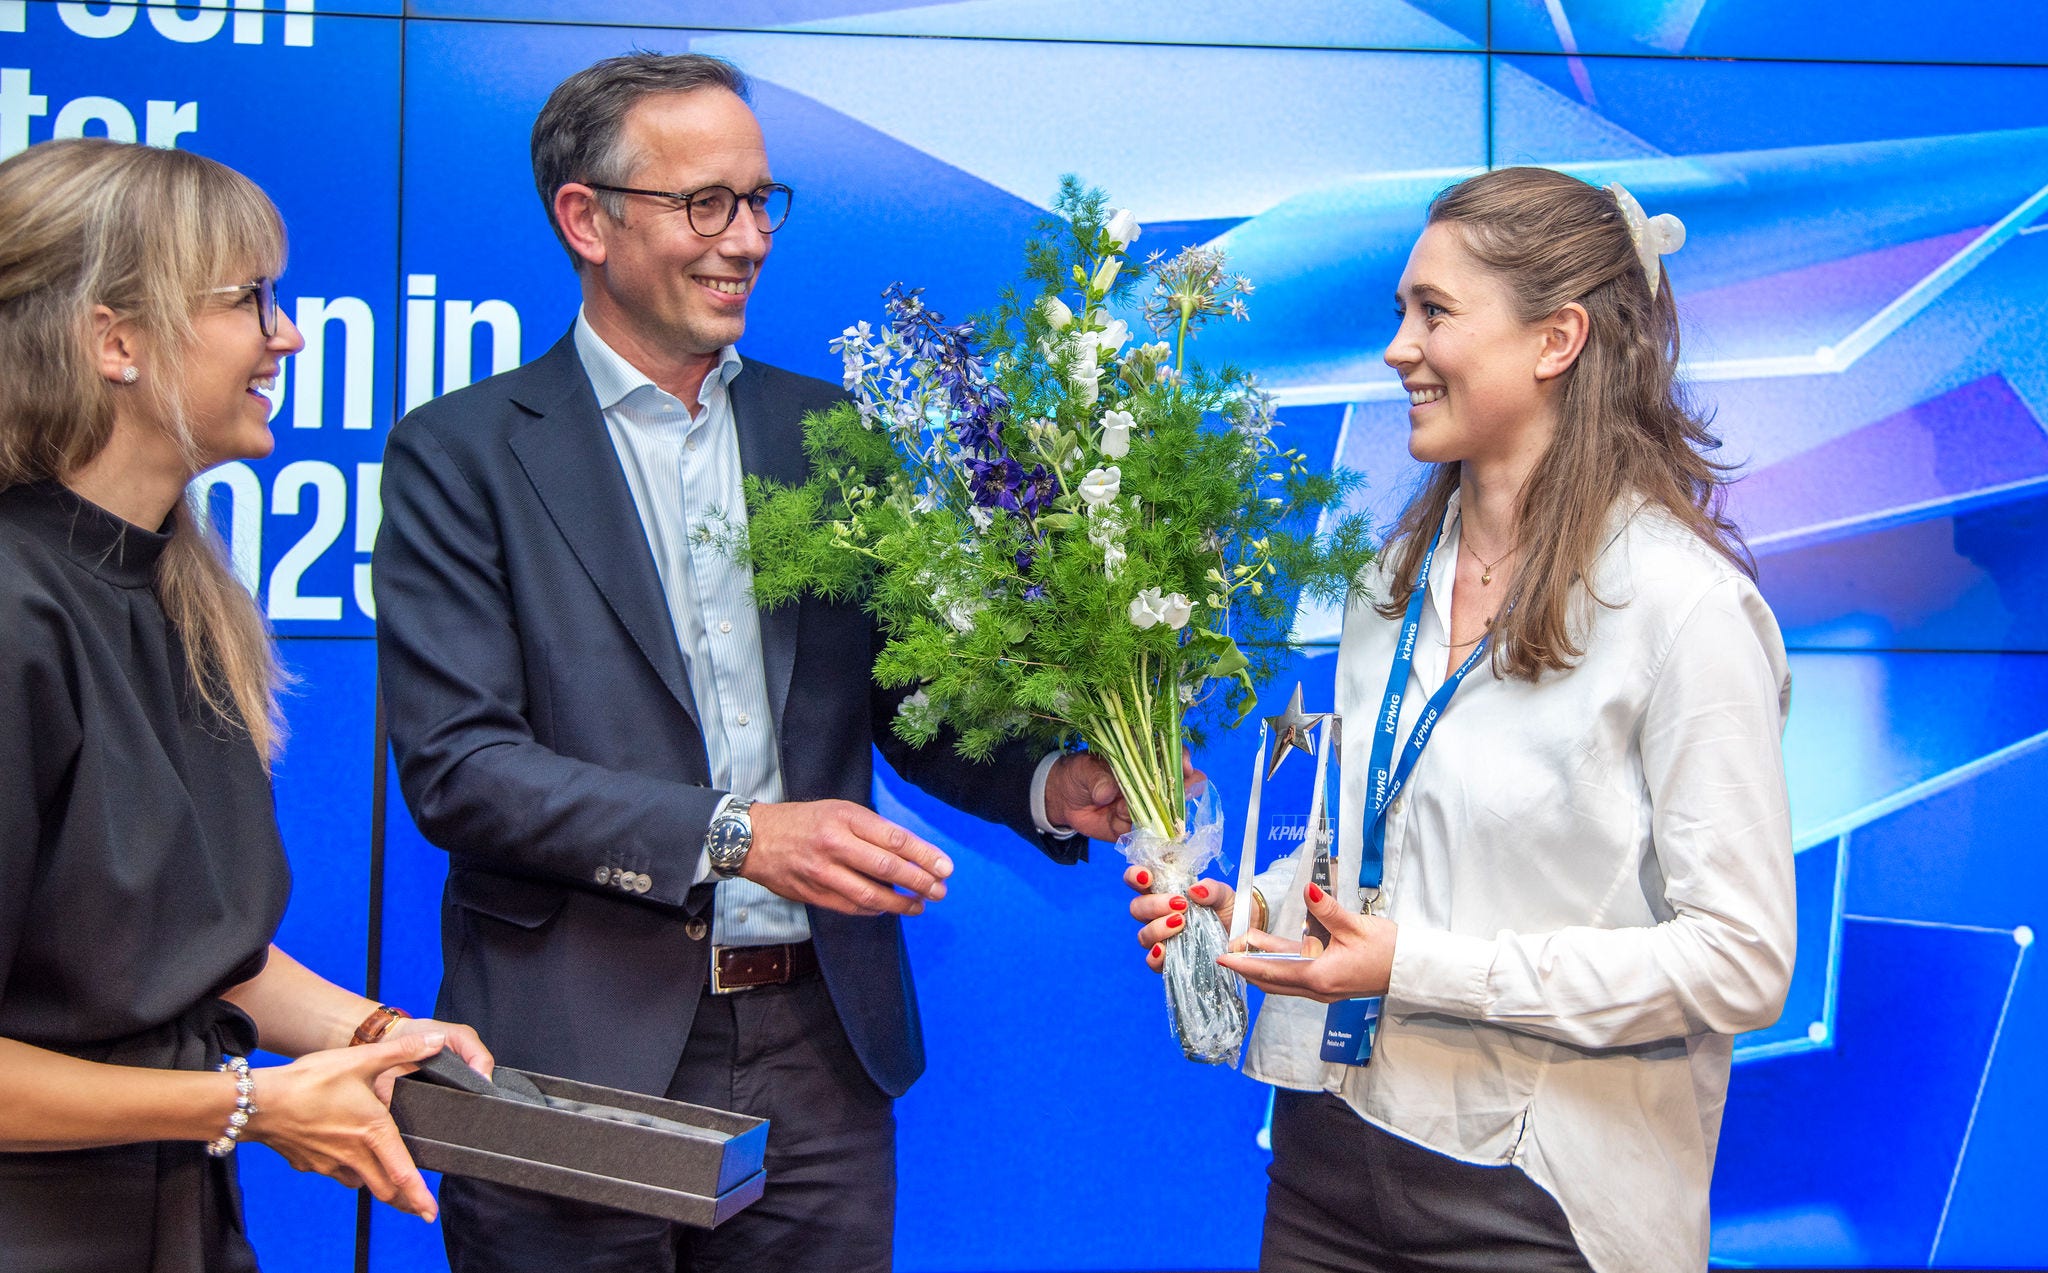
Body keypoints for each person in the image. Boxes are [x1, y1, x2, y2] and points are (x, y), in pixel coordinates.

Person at [373, 52, 1131, 1273]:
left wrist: (1048, 782)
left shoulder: (826, 433)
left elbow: (906, 698)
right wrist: (736, 836)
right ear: (586, 220)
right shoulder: (461, 455)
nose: (746, 239)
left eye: (760, 201)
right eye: (703, 204)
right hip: (572, 1050)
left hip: (819, 1051)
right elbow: (462, 771)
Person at [1130, 167, 1796, 1273]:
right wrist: (1249, 906)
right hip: (1324, 1163)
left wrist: (1418, 967)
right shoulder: (1389, 580)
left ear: (1556, 339)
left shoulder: (1684, 610)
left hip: (1532, 1200)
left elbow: (1740, 961)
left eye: (1433, 312)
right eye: (1402, 311)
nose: (1398, 347)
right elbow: (1384, 844)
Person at [0, 138, 493, 1273]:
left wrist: (375, 1033)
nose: (289, 335)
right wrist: (248, 1103)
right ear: (114, 340)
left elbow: (178, 954)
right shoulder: (15, 608)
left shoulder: (178, 593)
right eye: (249, 300)